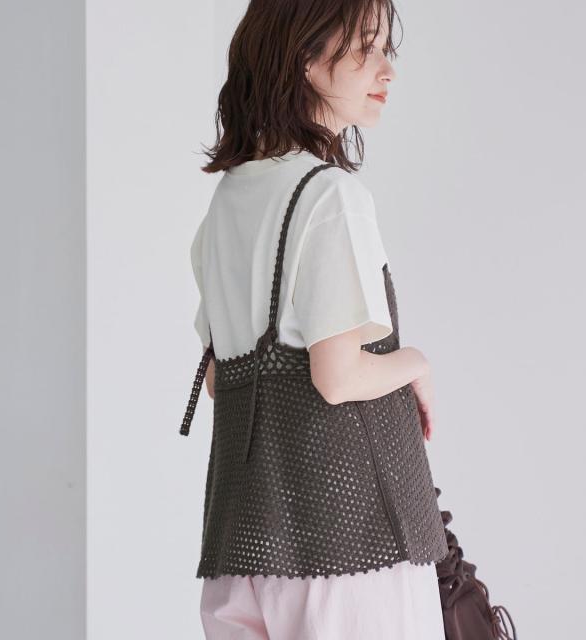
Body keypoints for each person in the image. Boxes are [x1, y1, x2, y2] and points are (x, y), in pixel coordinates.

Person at [188, 1, 446, 637]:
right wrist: (415, 363)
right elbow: (337, 377)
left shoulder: (228, 201)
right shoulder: (330, 195)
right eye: (366, 46)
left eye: (388, 49)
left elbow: (223, 378)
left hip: (241, 547)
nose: (386, 70)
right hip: (349, 549)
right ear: (306, 55)